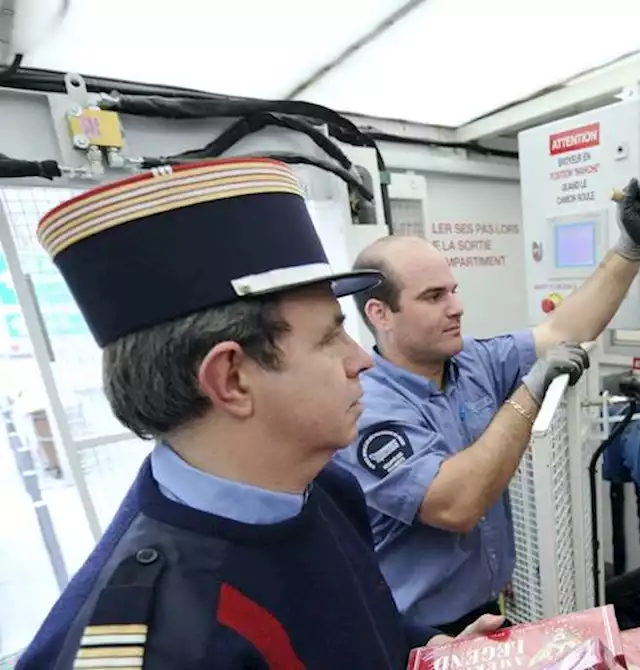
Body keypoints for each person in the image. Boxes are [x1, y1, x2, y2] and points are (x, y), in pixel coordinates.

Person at [16, 158, 514, 669]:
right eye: (328, 337)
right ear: (231, 379)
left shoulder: (325, 489)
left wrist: (428, 651)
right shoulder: (157, 643)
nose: (360, 359)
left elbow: (363, 621)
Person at [335, 178, 640, 638]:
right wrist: (528, 394)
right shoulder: (366, 407)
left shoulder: (471, 361)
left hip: (487, 610)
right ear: (379, 314)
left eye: (452, 290)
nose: (457, 307)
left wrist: (629, 248)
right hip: (416, 633)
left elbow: (562, 330)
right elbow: (457, 503)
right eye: (434, 297)